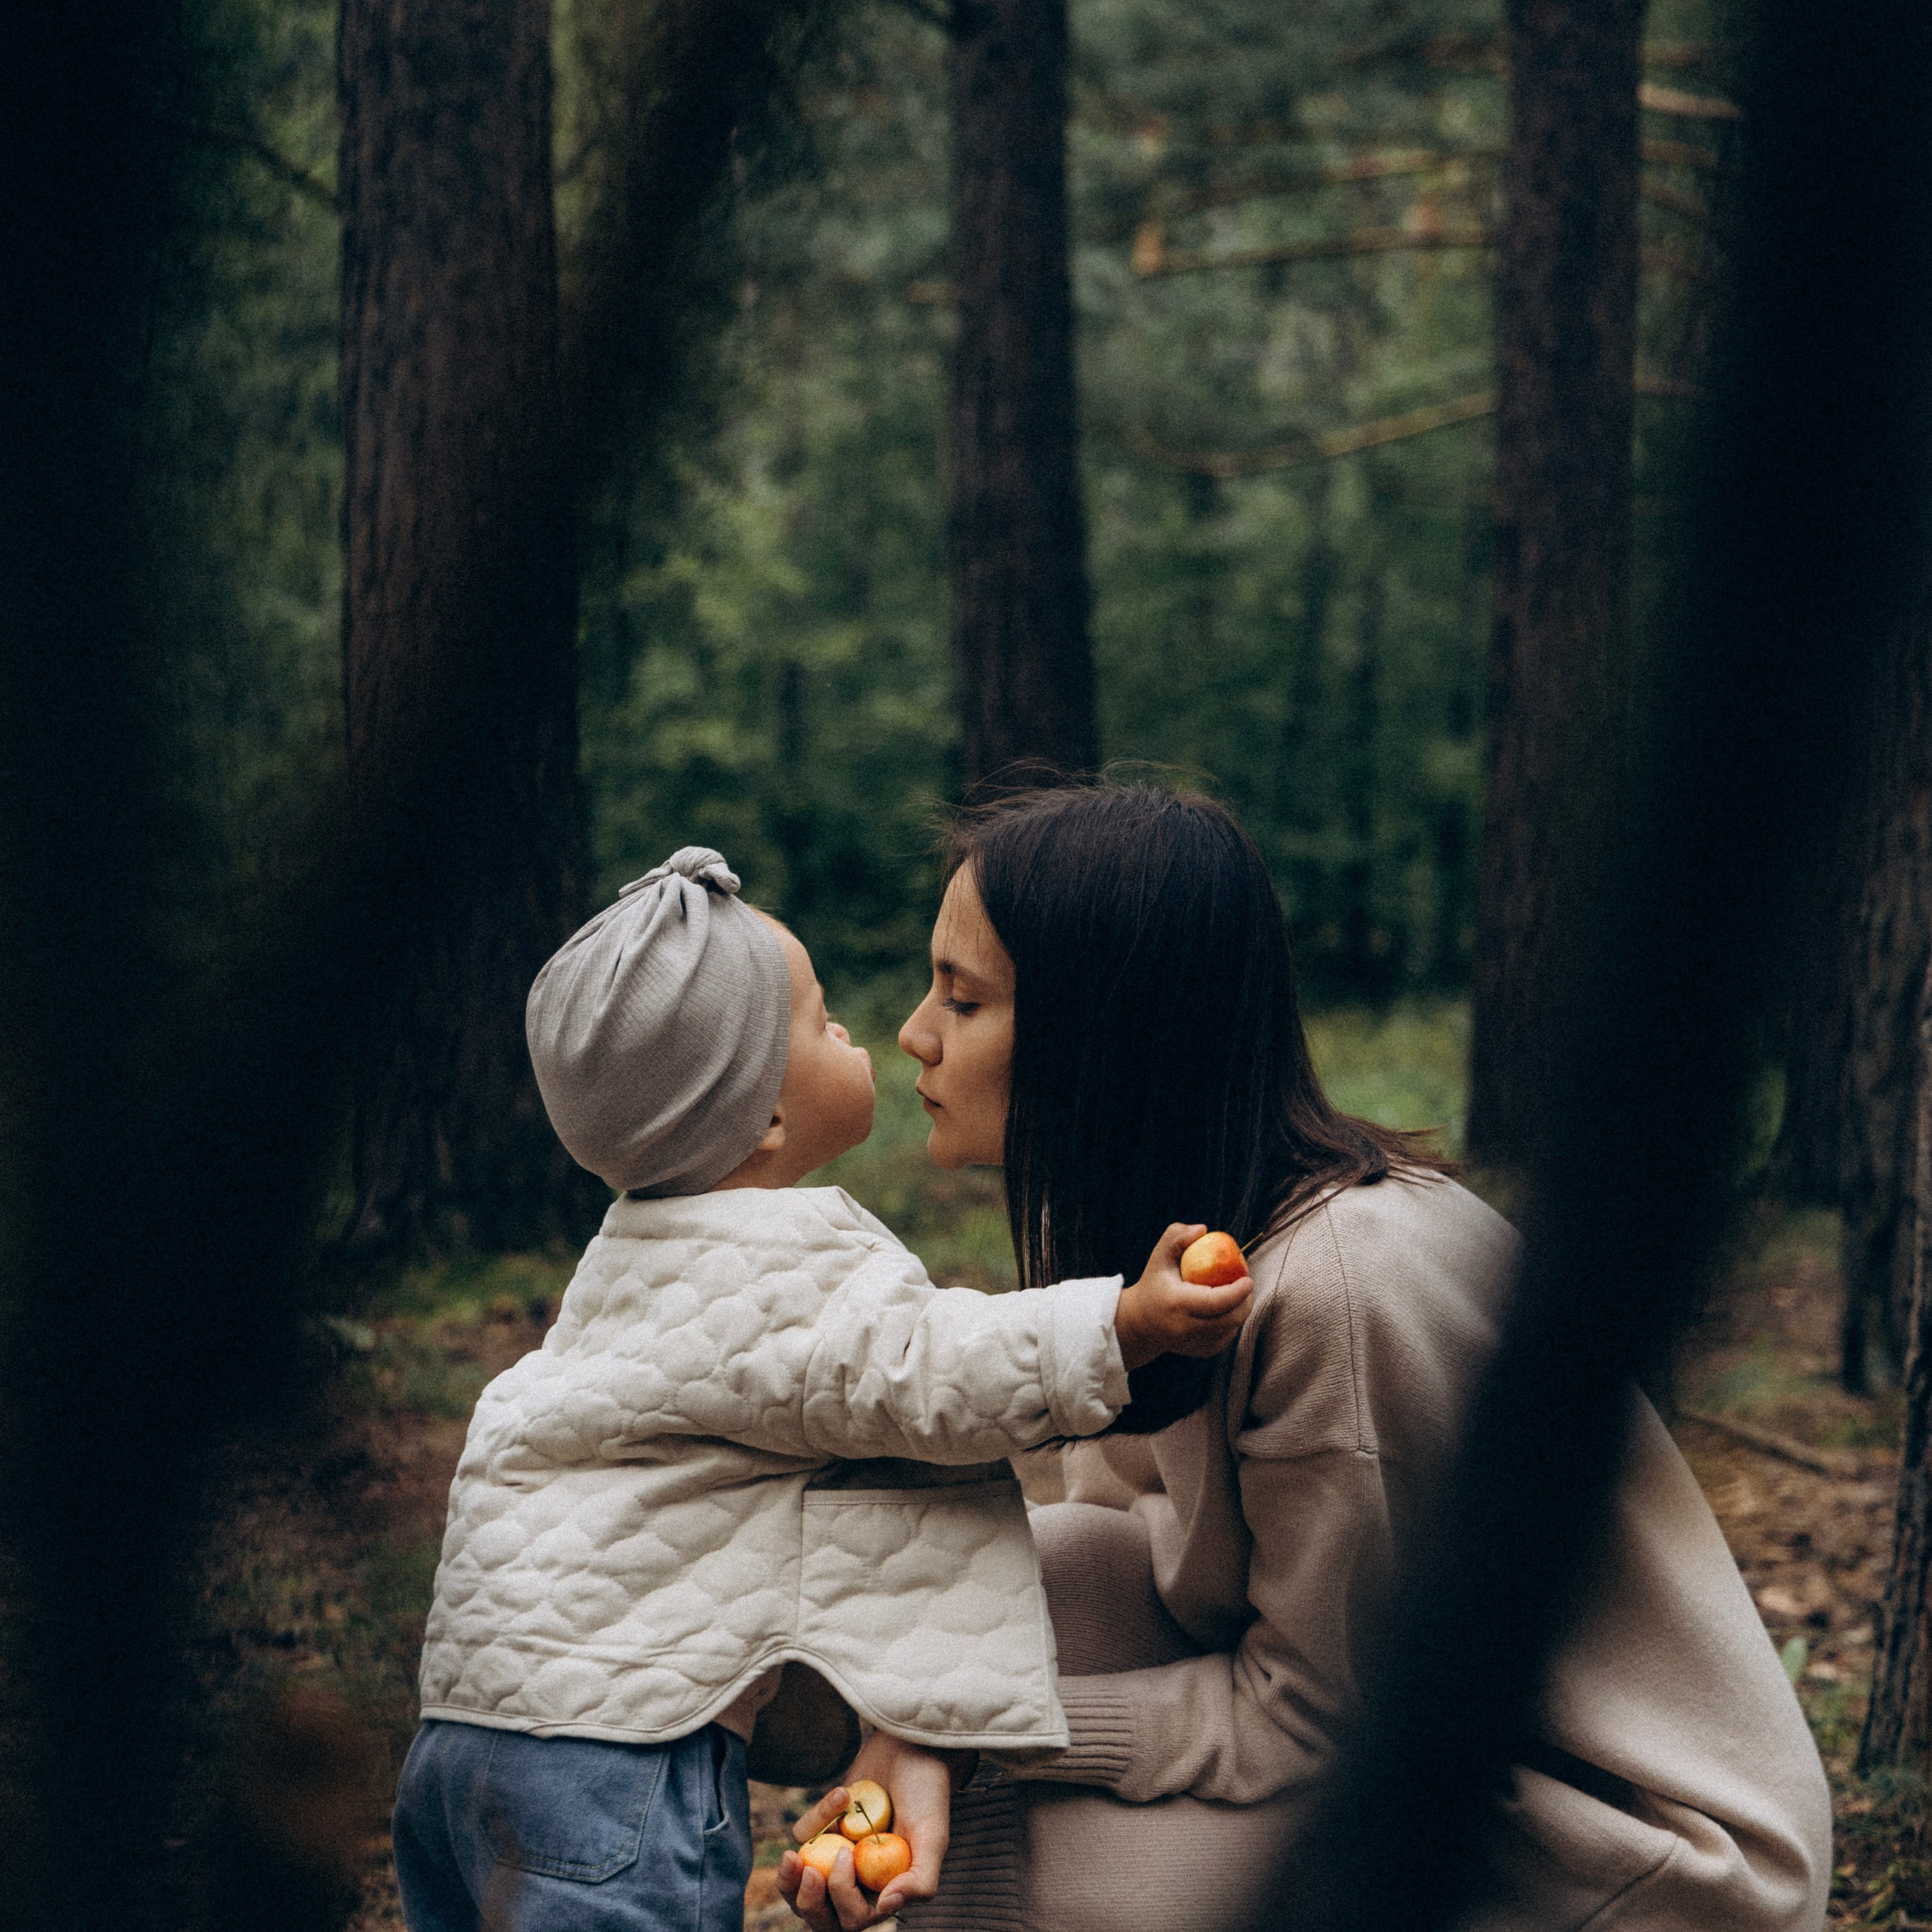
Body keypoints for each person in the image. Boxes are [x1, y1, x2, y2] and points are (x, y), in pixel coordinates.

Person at [779, 785, 1833, 1932]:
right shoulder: (1172, 1262)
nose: (915, 1034)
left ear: (1101, 1037)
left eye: (964, 997)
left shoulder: (1337, 1287)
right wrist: (920, 1696)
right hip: (1422, 1746)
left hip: (1623, 1842)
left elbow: (1312, 1718)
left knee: (1041, 1859)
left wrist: (966, 1731)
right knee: (1018, 1571)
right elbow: (1124, 1560)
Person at [389, 844, 1252, 1932]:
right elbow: (928, 1372)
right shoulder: (778, 1258)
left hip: (460, 1743)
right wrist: (1120, 1324)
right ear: (763, 1124)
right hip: (617, 1759)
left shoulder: (623, 1261)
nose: (865, 1035)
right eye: (822, 1022)